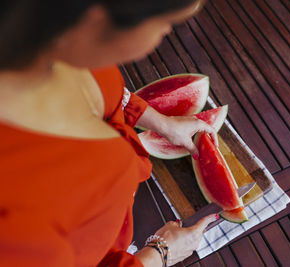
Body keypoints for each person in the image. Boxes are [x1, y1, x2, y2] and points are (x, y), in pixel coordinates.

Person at [0, 0, 219, 266]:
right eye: (166, 22)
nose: (167, 33)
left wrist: (161, 122)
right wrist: (160, 254)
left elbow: (112, 93)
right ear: (94, 18)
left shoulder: (50, 38)